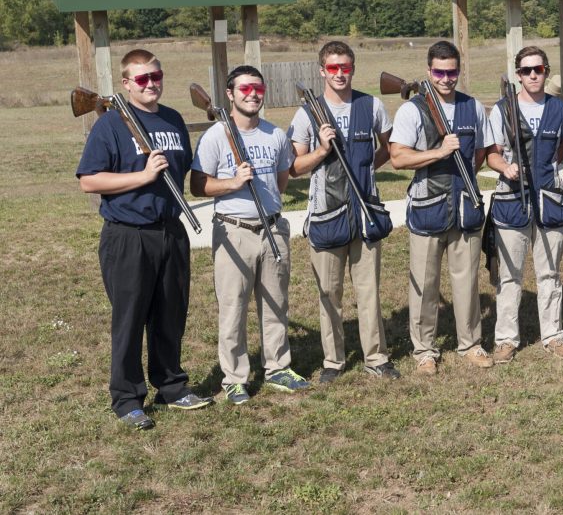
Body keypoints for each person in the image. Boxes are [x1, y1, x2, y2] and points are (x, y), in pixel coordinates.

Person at [77, 49, 212, 430]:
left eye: (156, 76)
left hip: (171, 230)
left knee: (170, 314)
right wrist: (142, 177)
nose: (151, 84)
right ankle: (127, 399)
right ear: (126, 84)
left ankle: (171, 387)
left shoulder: (172, 118)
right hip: (128, 234)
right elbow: (89, 180)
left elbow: (184, 172)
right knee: (130, 319)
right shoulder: (111, 124)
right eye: (142, 79)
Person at [191, 65, 310, 404]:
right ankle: (235, 377)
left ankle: (277, 368)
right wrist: (232, 183)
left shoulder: (274, 135)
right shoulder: (216, 136)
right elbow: (198, 185)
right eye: (244, 89)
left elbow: (282, 179)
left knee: (275, 303)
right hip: (234, 230)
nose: (252, 94)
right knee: (233, 307)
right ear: (230, 94)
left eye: (257, 88)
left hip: (272, 227)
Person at [289, 41, 400, 383]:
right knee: (329, 293)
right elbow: (294, 166)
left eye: (345, 67)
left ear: (353, 68)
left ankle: (376, 357)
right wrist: (322, 150)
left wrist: (369, 171)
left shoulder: (372, 105)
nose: (340, 73)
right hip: (326, 215)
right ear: (322, 71)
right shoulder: (307, 112)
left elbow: (390, 148)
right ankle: (333, 361)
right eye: (333, 67)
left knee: (369, 291)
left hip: (365, 212)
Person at [389, 40, 493, 374]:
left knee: (467, 281)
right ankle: (424, 351)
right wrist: (438, 153)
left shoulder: (472, 106)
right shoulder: (412, 109)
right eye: (439, 72)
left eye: (452, 72)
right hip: (427, 207)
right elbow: (397, 157)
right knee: (425, 284)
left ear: (459, 71)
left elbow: (481, 152)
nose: (446, 78)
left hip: (465, 205)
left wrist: (463, 177)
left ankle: (471, 344)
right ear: (428, 71)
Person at [486, 46, 563, 363]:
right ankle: (506, 340)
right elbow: (492, 152)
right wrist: (504, 167)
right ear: (518, 75)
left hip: (549, 199)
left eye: (538, 69)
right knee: (510, 275)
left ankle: (553, 336)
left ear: (546, 71)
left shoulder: (560, 109)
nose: (533, 75)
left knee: (549, 273)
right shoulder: (501, 109)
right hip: (512, 200)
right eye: (526, 70)